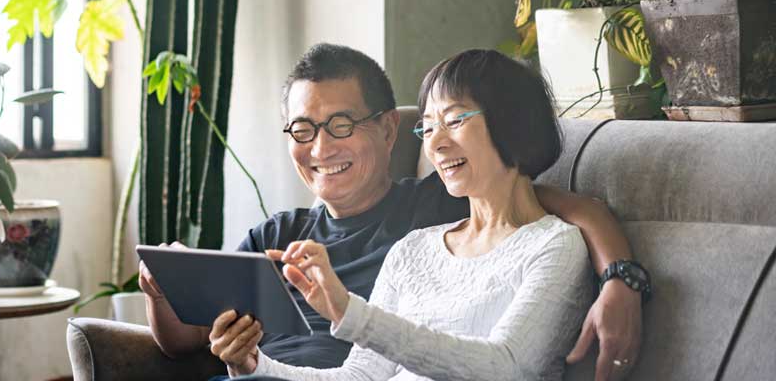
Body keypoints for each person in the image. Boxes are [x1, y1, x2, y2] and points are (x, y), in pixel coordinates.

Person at [139, 44, 649, 381]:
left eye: (340, 125)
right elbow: (359, 376)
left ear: (386, 131)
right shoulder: (408, 248)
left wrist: (620, 280)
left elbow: (561, 209)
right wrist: (252, 365)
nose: (319, 149)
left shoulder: (442, 208)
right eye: (428, 127)